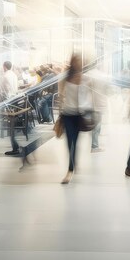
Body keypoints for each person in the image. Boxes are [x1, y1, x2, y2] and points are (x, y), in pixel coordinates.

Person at [57, 54, 88, 184]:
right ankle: (70, 170)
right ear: (72, 62)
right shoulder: (65, 77)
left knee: (76, 142)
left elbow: (87, 97)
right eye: (76, 61)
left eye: (80, 61)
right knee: (70, 142)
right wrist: (60, 113)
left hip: (79, 115)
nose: (78, 63)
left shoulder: (84, 78)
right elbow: (60, 95)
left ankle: (74, 162)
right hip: (68, 114)